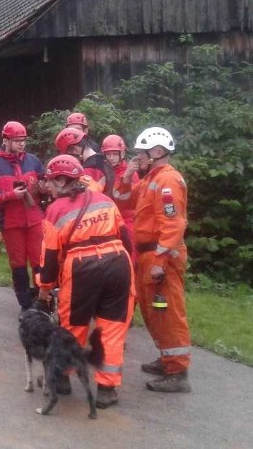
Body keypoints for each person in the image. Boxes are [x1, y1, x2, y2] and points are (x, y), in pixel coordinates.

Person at [37, 154, 136, 409]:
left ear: (61, 180)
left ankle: (62, 378)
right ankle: (107, 389)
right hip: (118, 263)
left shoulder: (55, 210)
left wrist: (45, 288)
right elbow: (126, 239)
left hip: (82, 268)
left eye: (50, 181)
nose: (47, 186)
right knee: (112, 329)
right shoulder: (105, 200)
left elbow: (49, 258)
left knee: (73, 326)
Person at [115, 127, 191, 393]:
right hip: (148, 254)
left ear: (157, 151)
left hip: (161, 256)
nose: (139, 156)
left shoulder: (167, 181)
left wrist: (160, 260)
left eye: (142, 152)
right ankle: (168, 359)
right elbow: (122, 202)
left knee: (167, 312)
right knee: (154, 311)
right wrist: (125, 176)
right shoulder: (149, 180)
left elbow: (173, 224)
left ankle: (178, 371)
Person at [0, 121, 45, 311]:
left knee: (40, 262)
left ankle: (43, 301)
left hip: (35, 219)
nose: (21, 144)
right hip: (11, 223)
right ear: (6, 140)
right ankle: (25, 305)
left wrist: (43, 188)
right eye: (17, 140)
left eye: (23, 140)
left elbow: (46, 184)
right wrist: (12, 195)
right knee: (18, 265)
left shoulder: (33, 161)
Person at [103, 134, 139, 257]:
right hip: (111, 222)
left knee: (130, 257)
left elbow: (127, 200)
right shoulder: (106, 172)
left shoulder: (129, 173)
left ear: (122, 154)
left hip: (127, 221)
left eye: (115, 154)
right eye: (108, 154)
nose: (111, 158)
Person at [55, 127, 115, 196]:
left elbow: (81, 197)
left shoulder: (91, 169)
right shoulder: (102, 160)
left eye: (69, 154)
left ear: (75, 150)